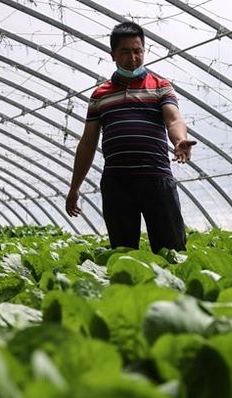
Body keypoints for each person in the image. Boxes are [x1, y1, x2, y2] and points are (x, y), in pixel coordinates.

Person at [65, 21, 196, 254]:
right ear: (113, 54)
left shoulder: (160, 86)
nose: (133, 57)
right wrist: (75, 187)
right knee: (123, 254)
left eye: (138, 51)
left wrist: (179, 140)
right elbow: (87, 143)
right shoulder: (100, 95)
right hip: (117, 184)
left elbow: (173, 119)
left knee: (172, 250)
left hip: (156, 178)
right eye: (126, 52)